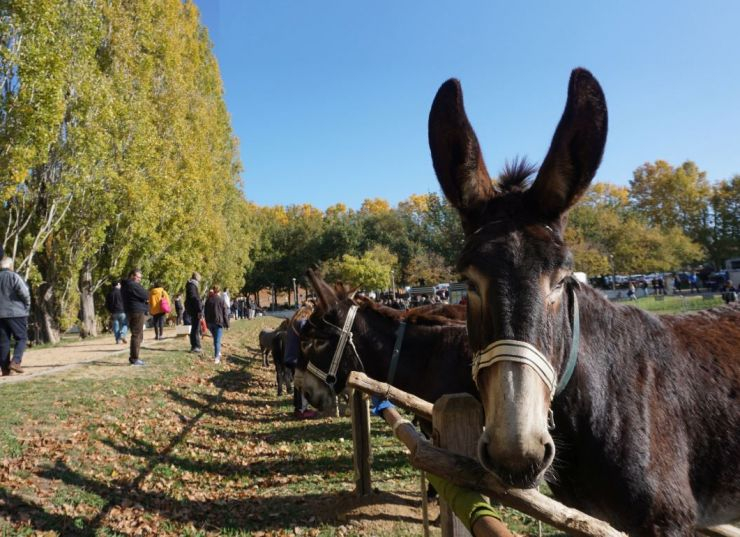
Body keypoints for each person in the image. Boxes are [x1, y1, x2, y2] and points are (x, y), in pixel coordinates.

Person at [284, 304, 317, 419]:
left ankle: (299, 407)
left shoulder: (294, 321)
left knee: (298, 384)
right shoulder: (303, 322)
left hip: (290, 356)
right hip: (298, 358)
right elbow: (307, 338)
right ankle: (301, 410)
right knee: (303, 383)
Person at [0, 256, 31, 376]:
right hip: (16, 313)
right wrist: (26, 306)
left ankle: (5, 369)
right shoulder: (14, 276)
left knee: (3, 342)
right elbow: (24, 292)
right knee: (21, 338)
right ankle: (16, 362)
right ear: (11, 266)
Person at [120, 268, 148, 366]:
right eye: (138, 277)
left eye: (140, 278)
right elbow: (146, 295)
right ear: (132, 275)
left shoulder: (125, 285)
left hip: (130, 310)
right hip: (137, 311)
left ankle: (134, 357)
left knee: (137, 335)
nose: (139, 279)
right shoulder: (133, 285)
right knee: (137, 335)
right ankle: (134, 358)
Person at [204, 285, 229, 364]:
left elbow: (205, 312)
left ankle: (218, 352)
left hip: (210, 323)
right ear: (219, 291)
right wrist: (227, 324)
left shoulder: (208, 300)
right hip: (218, 322)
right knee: (217, 341)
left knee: (215, 339)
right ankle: (216, 357)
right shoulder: (221, 300)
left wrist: (206, 322)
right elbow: (225, 313)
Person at [185, 272, 203, 353]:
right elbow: (195, 298)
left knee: (195, 328)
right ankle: (196, 346)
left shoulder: (191, 285)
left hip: (193, 309)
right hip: (195, 310)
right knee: (196, 328)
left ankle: (195, 345)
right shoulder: (192, 286)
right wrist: (199, 309)